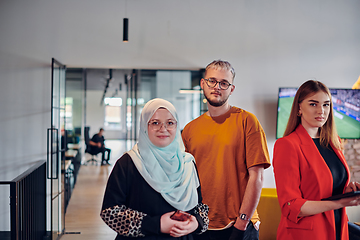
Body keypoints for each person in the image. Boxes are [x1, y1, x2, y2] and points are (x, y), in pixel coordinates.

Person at [182, 60, 271, 240]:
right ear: (203, 84)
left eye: (224, 83)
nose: (217, 87)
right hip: (200, 224)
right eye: (212, 81)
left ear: (231, 89)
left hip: (239, 225)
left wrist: (242, 222)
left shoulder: (248, 121)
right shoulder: (190, 129)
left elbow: (257, 176)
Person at [100, 98, 209, 239]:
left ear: (177, 126)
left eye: (170, 123)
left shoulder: (187, 163)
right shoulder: (128, 163)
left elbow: (200, 206)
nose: (163, 129)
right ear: (145, 127)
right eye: (155, 123)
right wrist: (155, 224)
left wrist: (197, 223)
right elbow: (110, 212)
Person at [273, 80, 360, 240]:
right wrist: (341, 203)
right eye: (313, 104)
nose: (321, 111)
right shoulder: (287, 145)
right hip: (306, 234)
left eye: (326, 105)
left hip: (338, 229)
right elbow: (290, 206)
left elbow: (325, 189)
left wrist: (346, 193)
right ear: (299, 108)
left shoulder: (334, 142)